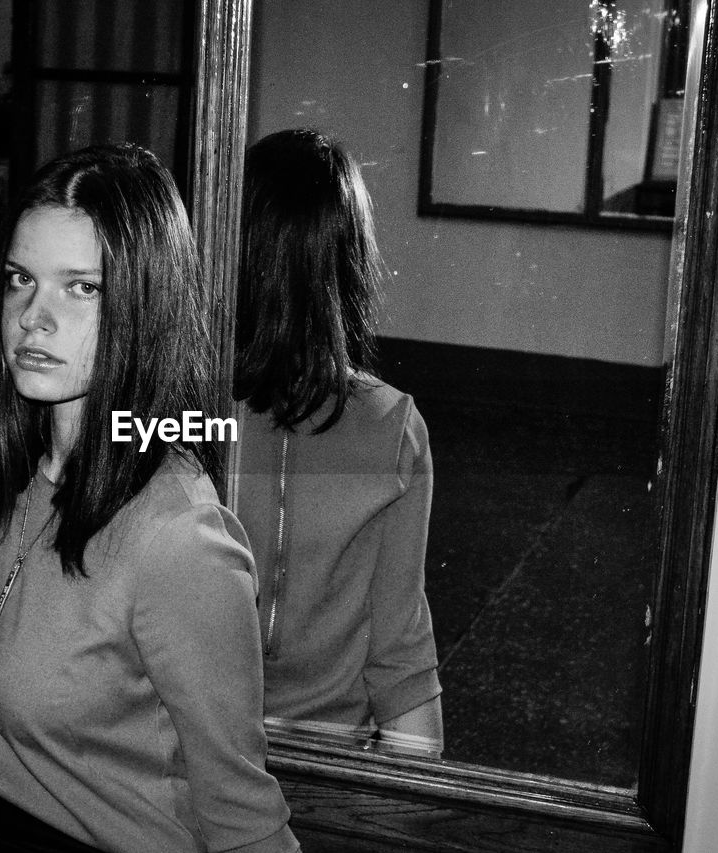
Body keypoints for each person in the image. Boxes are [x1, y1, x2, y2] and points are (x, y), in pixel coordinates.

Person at [0, 144, 298, 853]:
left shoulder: (179, 537)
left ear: (143, 307)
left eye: (81, 287)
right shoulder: (0, 474)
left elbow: (246, 819)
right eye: (20, 279)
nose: (33, 318)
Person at [234, 129, 443, 758]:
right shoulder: (392, 425)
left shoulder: (172, 411)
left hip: (178, 753)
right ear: (350, 264)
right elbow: (400, 652)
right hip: (323, 755)